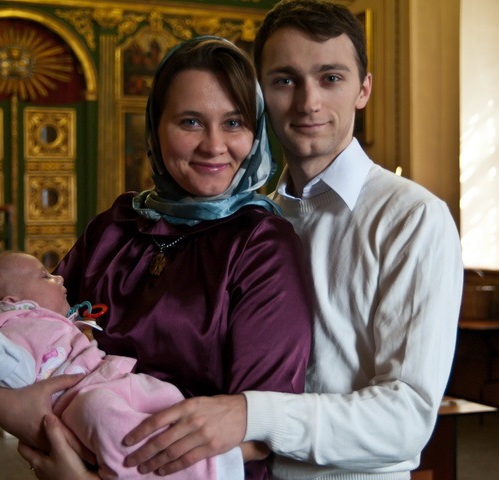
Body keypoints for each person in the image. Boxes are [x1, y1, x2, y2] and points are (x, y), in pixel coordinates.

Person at [118, 1, 464, 479]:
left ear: (363, 89)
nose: (308, 103)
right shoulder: (246, 219)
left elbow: (406, 419)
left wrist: (250, 414)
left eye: (330, 78)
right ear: (259, 95)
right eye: (285, 80)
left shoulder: (411, 218)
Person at [0, 36, 314, 480]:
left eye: (234, 122)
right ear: (155, 128)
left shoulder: (260, 245)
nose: (214, 145)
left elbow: (261, 427)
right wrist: (6, 404)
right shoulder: (115, 227)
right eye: (191, 122)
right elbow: (29, 332)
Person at [0, 251, 244, 480]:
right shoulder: (7, 331)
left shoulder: (43, 319)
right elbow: (5, 368)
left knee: (161, 395)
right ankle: (189, 471)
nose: (60, 278)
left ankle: (202, 447)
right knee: (101, 413)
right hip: (75, 400)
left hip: (108, 377)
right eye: (45, 277)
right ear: (12, 302)